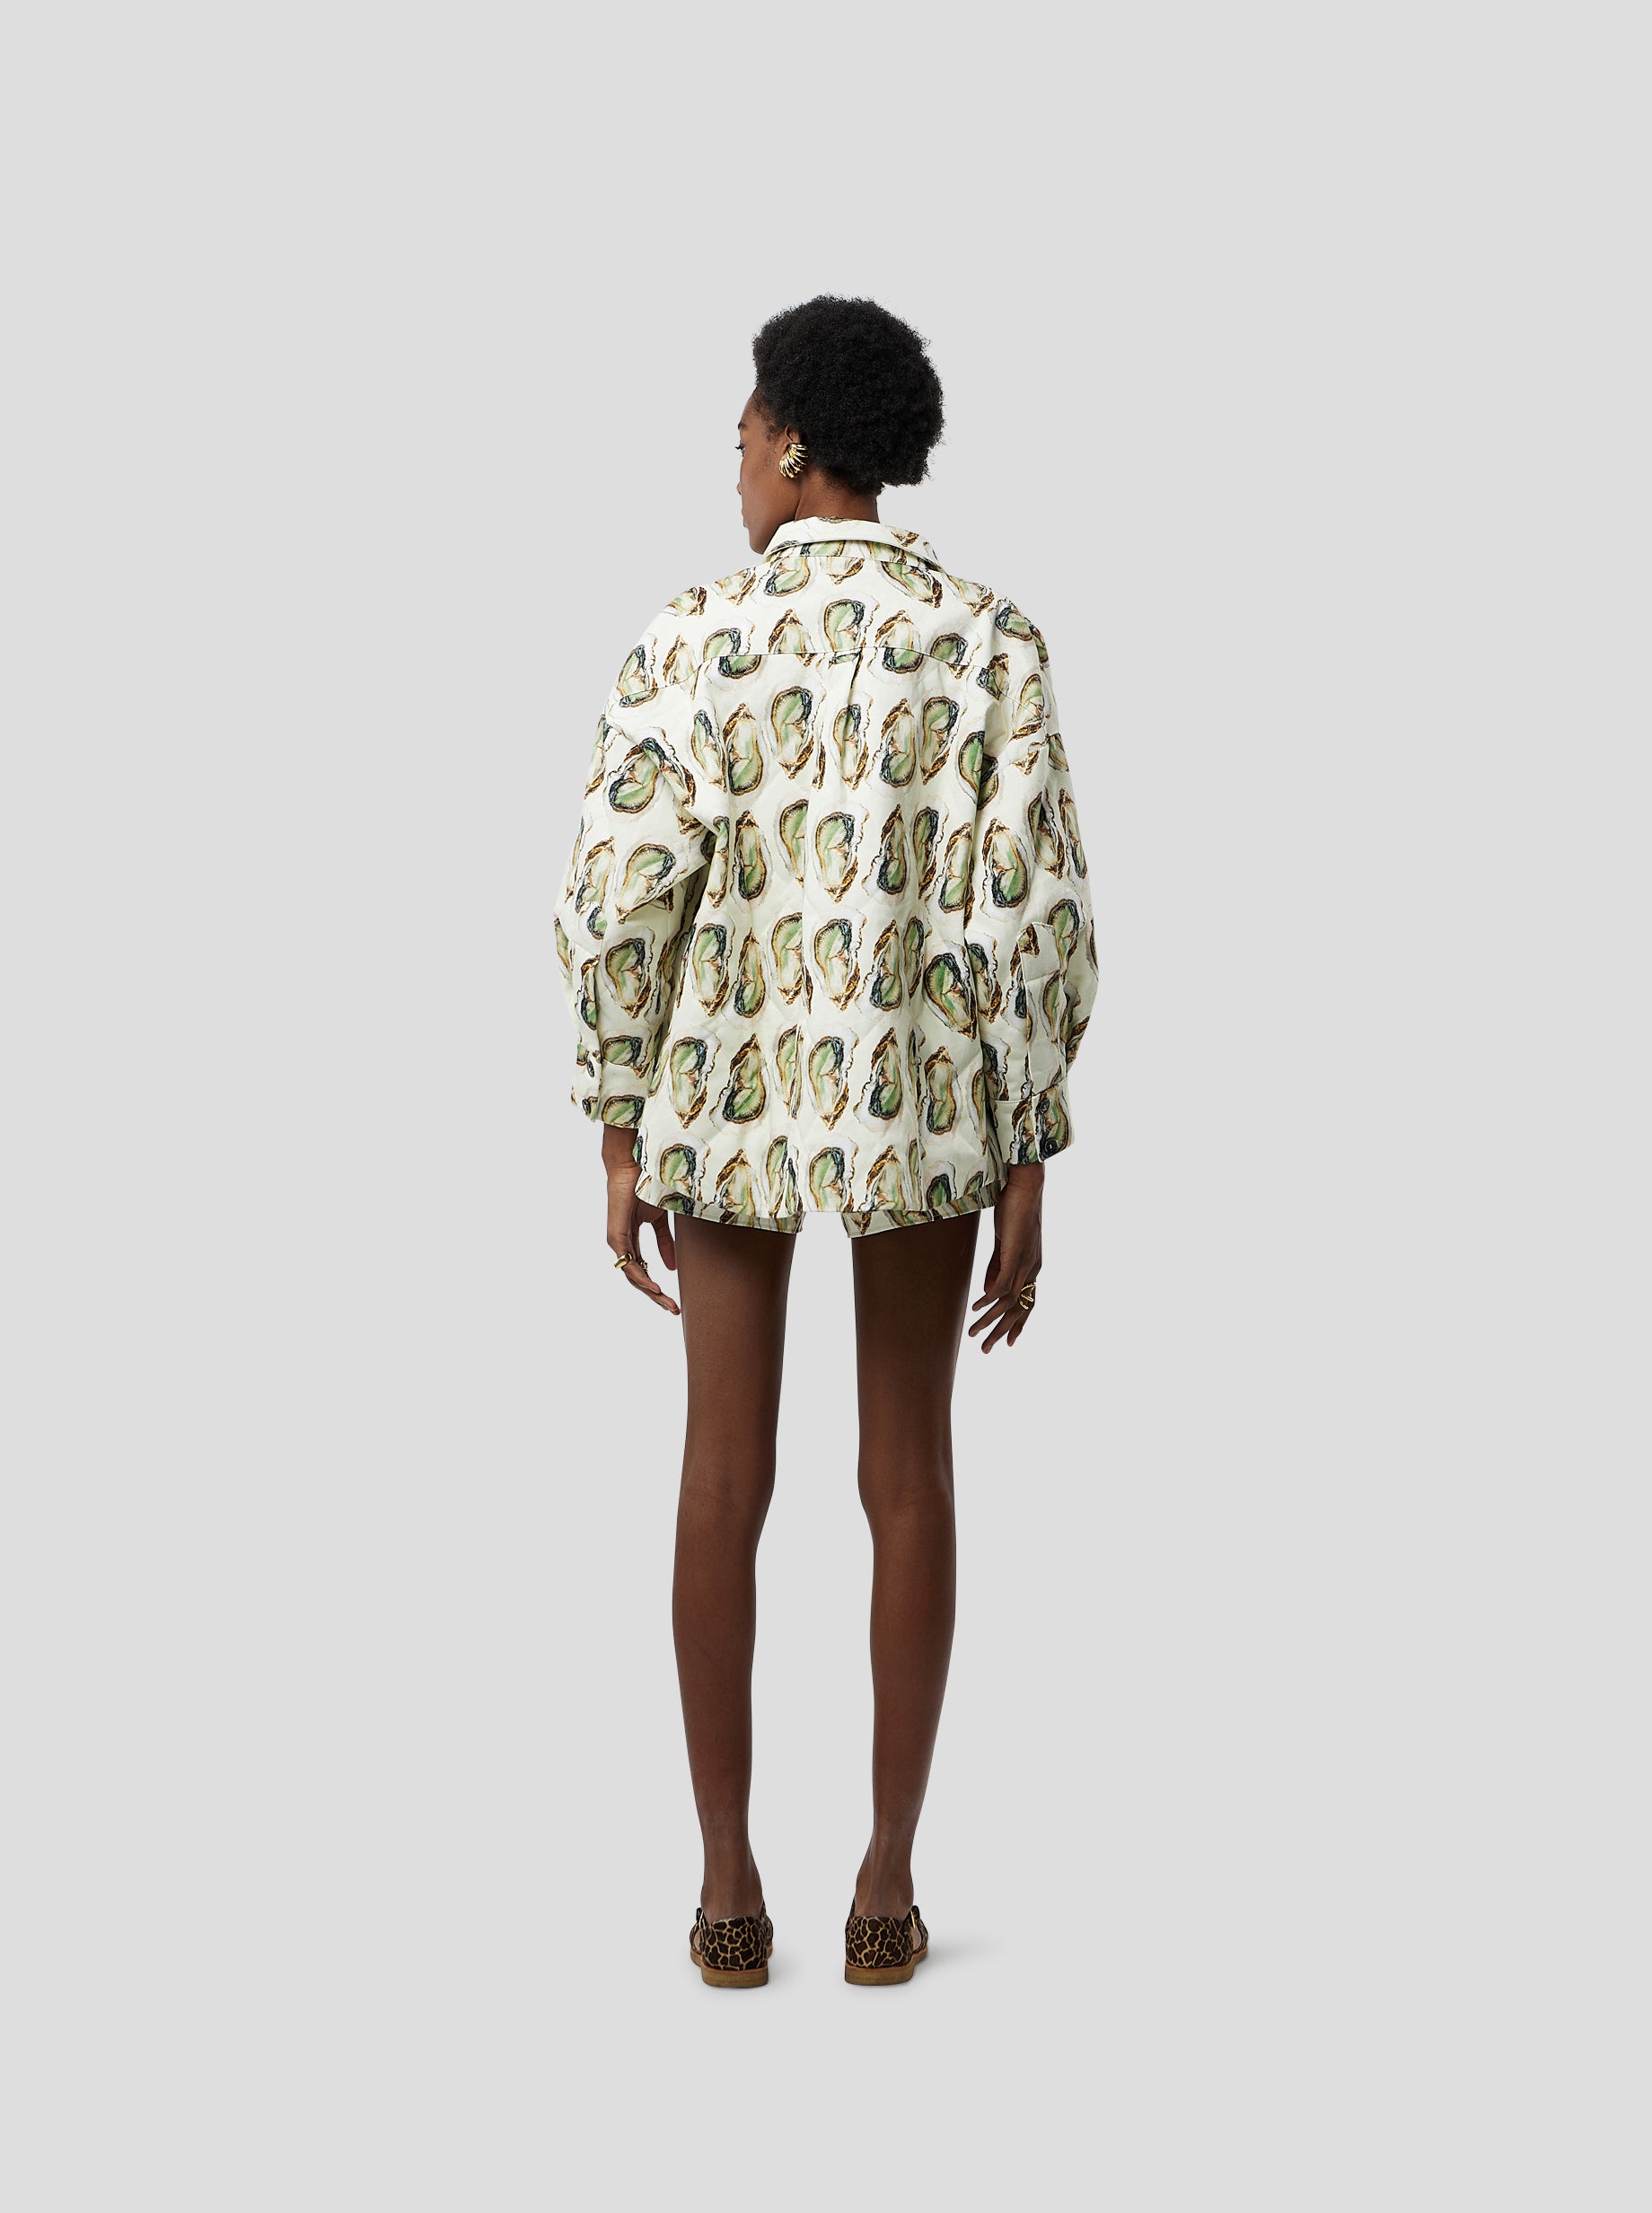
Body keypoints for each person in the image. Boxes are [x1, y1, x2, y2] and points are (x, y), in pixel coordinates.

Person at [554, 294, 1098, 1988]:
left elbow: (620, 898)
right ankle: (884, 1882)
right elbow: (1034, 915)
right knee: (909, 1471)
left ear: (794, 443)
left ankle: (728, 1883)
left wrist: (620, 1116)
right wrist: (1026, 1145)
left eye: (739, 435)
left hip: (728, 1093)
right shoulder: (988, 641)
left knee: (722, 1475)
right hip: (923, 1104)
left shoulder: (691, 638)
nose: (731, 464)